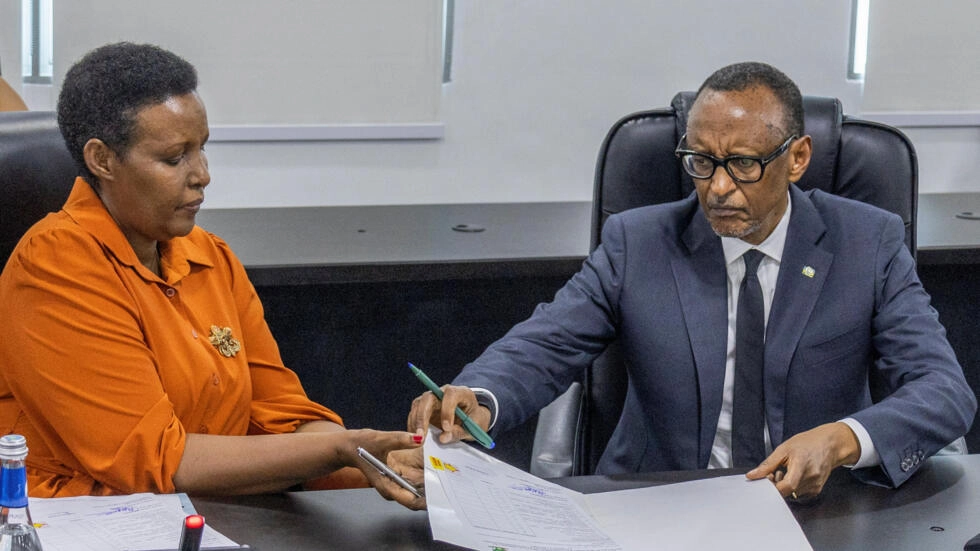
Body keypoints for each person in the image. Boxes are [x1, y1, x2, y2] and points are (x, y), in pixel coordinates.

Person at [404, 61, 977, 499]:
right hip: (659, 501)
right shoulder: (638, 242)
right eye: (701, 162)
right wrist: (479, 397)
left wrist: (842, 438)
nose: (718, 188)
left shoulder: (867, 243)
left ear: (798, 158)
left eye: (743, 163)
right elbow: (546, 344)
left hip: (815, 510)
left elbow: (944, 391)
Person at [0, 42, 423, 508]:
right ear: (102, 160)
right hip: (84, 516)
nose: (202, 175)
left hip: (214, 507)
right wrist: (343, 449)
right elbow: (156, 460)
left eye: (202, 149)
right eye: (174, 158)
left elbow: (280, 413)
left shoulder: (209, 255)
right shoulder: (54, 269)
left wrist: (382, 460)